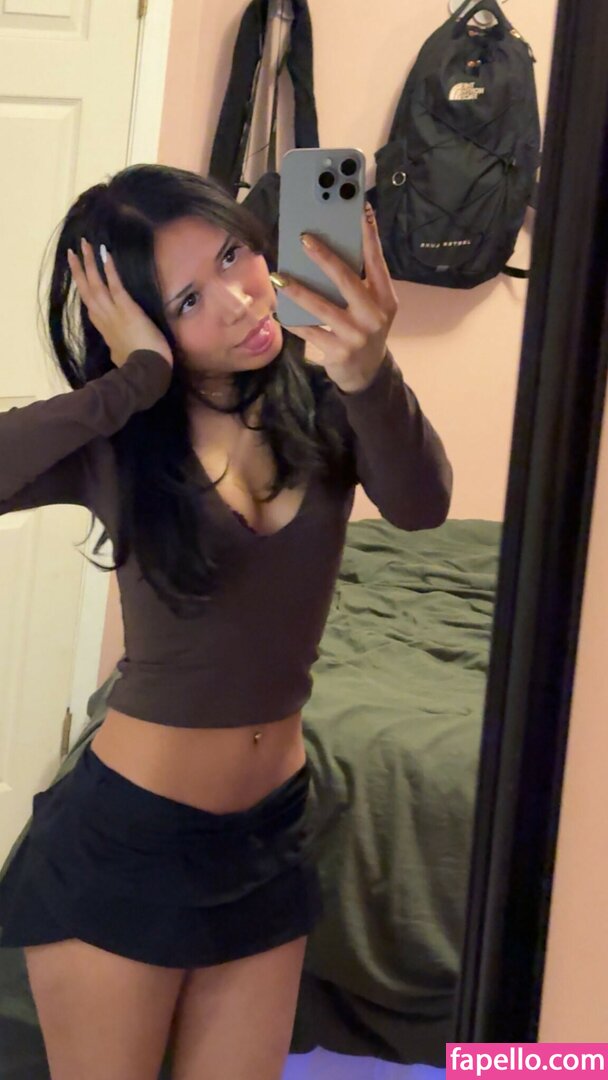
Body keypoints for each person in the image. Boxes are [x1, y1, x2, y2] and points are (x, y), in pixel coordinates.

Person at [0, 164, 452, 1080]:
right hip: (127, 842)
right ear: (142, 322)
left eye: (235, 256)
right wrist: (133, 380)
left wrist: (370, 372)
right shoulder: (121, 442)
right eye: (189, 299)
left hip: (269, 837)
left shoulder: (323, 399)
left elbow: (420, 507)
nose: (241, 298)